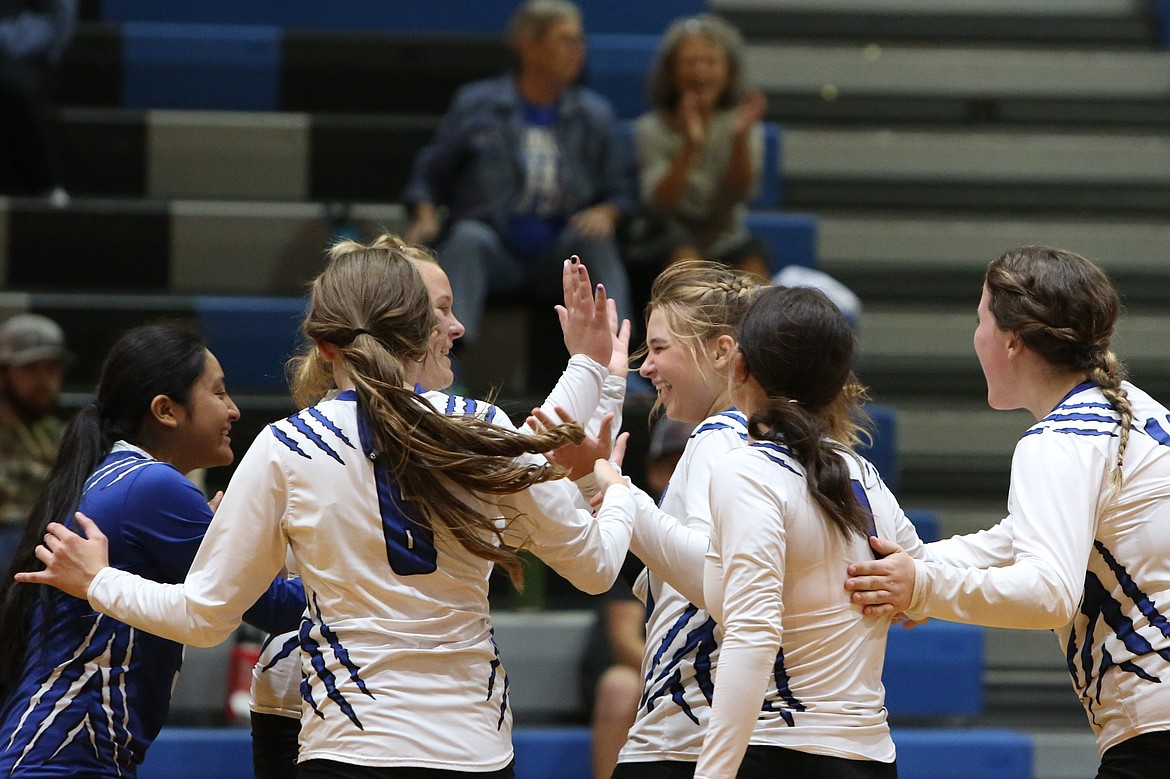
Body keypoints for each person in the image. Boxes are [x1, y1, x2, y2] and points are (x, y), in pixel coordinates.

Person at [21, 242, 637, 777]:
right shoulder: (481, 428)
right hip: (473, 748)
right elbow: (596, 568)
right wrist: (615, 487)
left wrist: (99, 582)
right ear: (423, 329)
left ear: (323, 345)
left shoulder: (285, 447)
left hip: (349, 746)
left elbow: (205, 617)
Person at [246, 235, 631, 779]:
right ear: (394, 320)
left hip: (362, 733)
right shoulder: (321, 444)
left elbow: (526, 463)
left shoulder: (301, 441)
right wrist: (596, 396)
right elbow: (531, 472)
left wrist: (595, 381)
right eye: (441, 310)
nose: (455, 328)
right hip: (337, 714)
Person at [844, 244, 1170, 779]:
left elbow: (1048, 592)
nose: (975, 337)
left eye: (980, 319)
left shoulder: (1058, 441)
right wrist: (913, 565)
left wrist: (920, 587)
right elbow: (1021, 538)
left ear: (1012, 339)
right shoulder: (1131, 408)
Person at [0, 324, 267, 777]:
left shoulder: (126, 477)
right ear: (166, 410)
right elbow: (270, 604)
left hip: (63, 754)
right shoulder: (150, 485)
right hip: (63, 757)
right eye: (219, 394)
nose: (234, 410)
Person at [403, 0, 635, 349]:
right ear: (530, 45)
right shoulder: (477, 105)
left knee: (596, 240)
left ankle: (618, 357)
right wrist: (424, 215)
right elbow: (430, 172)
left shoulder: (594, 114)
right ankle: (445, 358)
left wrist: (607, 212)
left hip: (561, 255)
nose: (578, 51)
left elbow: (622, 188)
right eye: (565, 40)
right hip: (495, 247)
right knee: (466, 238)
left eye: (579, 41)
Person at [579, 417, 692, 779]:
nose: (682, 475)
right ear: (654, 472)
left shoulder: (729, 527)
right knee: (620, 686)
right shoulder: (633, 525)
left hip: (694, 669)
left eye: (689, 464)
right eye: (671, 464)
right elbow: (625, 641)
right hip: (642, 670)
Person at [626, 14, 769, 294]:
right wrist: (690, 147)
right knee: (685, 264)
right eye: (691, 62)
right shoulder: (650, 127)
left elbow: (743, 193)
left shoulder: (742, 124)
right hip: (665, 239)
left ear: (728, 72)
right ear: (671, 71)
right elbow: (659, 203)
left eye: (711, 62)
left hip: (727, 237)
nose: (700, 72)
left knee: (755, 273)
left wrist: (739, 141)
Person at [0, 313, 72, 568]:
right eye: (30, 369)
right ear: (4, 374)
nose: (44, 381)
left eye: (52, 369)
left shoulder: (63, 434)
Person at [0, 0, 77, 200]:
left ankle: (45, 189)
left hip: (20, 55)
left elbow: (56, 20)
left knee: (14, 88)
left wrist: (6, 38)